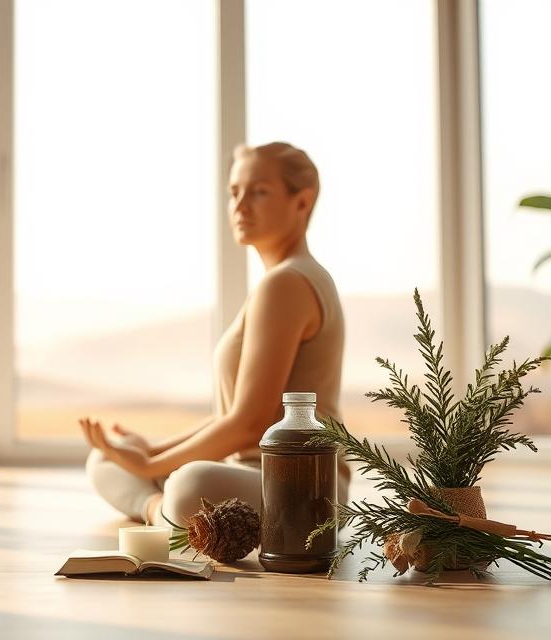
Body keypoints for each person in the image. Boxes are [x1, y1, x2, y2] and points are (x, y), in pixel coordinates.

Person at [81, 141, 350, 527]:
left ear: (302, 202)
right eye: (234, 192)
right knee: (106, 458)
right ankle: (164, 513)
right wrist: (149, 449)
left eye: (258, 192)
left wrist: (152, 462)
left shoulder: (287, 284)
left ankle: (173, 515)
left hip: (302, 486)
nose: (240, 206)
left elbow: (249, 424)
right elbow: (230, 417)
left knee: (191, 482)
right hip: (247, 474)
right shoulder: (283, 280)